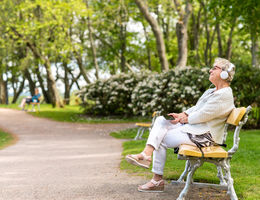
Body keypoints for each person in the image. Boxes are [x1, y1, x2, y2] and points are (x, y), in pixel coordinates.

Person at [125, 57, 236, 192]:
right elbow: (196, 108)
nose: (210, 70)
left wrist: (185, 119)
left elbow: (204, 114)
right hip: (195, 129)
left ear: (225, 74)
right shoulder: (211, 91)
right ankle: (146, 154)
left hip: (205, 135)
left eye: (215, 68)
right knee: (161, 120)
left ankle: (156, 180)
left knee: (160, 139)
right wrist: (182, 115)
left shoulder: (224, 94)